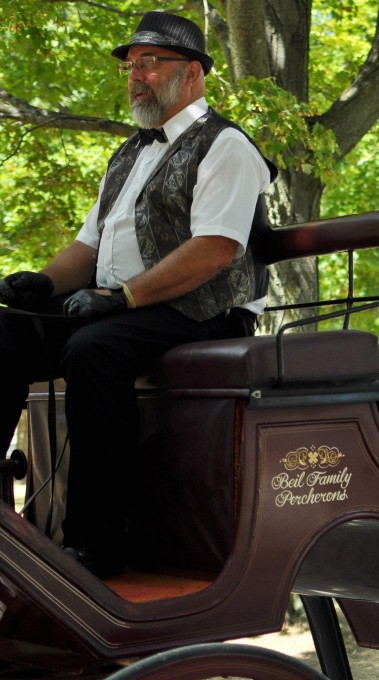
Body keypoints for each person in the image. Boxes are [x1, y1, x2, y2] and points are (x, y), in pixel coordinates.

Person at [0, 11, 277, 577]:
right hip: (121, 306)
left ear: (194, 73)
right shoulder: (129, 152)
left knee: (94, 349)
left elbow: (215, 250)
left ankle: (96, 544)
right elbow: (88, 245)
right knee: (6, 331)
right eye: (132, 65)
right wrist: (45, 284)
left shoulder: (226, 145)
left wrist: (121, 297)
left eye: (151, 62)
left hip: (204, 310)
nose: (136, 75)